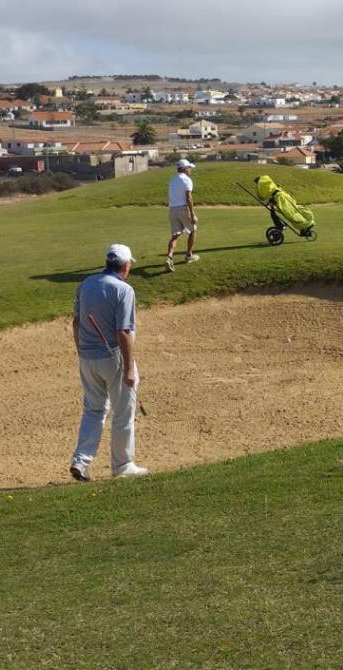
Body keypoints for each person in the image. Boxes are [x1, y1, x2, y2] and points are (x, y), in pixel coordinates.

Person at [70, 243, 148, 480]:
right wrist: (129, 367)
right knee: (123, 412)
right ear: (125, 266)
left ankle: (81, 461)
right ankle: (123, 465)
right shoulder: (124, 290)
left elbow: (76, 322)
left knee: (93, 410)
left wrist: (82, 351)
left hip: (87, 358)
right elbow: (123, 332)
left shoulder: (86, 284)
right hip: (112, 357)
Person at [165, 158, 199, 272]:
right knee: (193, 230)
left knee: (175, 235)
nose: (191, 170)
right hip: (183, 208)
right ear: (185, 169)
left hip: (172, 209)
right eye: (189, 168)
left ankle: (169, 257)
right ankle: (189, 256)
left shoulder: (172, 180)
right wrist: (192, 213)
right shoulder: (187, 180)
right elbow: (188, 197)